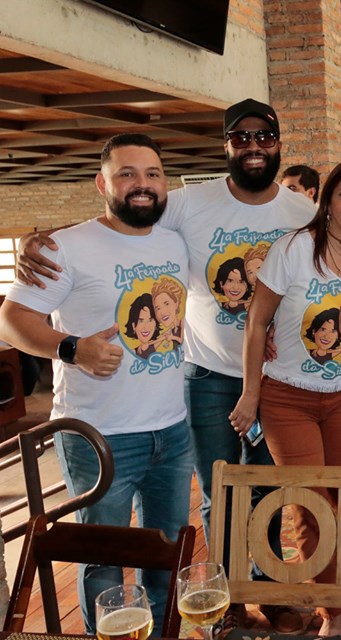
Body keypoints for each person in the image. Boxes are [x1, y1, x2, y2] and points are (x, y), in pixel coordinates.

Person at [13, 98, 317, 634]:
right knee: (205, 503)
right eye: (241, 137)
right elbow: (117, 221)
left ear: (277, 143)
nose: (143, 184)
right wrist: (36, 245)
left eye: (263, 137)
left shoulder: (297, 213)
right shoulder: (185, 206)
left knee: (256, 496)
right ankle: (225, 603)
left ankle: (257, 591)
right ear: (226, 145)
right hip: (189, 386)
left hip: (255, 385)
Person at [0, 133, 193, 634]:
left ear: (164, 183)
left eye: (152, 174)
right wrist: (72, 348)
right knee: (103, 560)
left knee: (168, 553)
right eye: (126, 174)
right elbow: (12, 319)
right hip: (97, 436)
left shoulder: (175, 239)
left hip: (172, 431)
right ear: (102, 183)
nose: (141, 184)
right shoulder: (66, 248)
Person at [229, 159, 341, 638]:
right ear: (328, 201)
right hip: (288, 401)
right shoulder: (294, 249)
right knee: (308, 502)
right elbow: (257, 321)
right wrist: (250, 393)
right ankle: (331, 611)